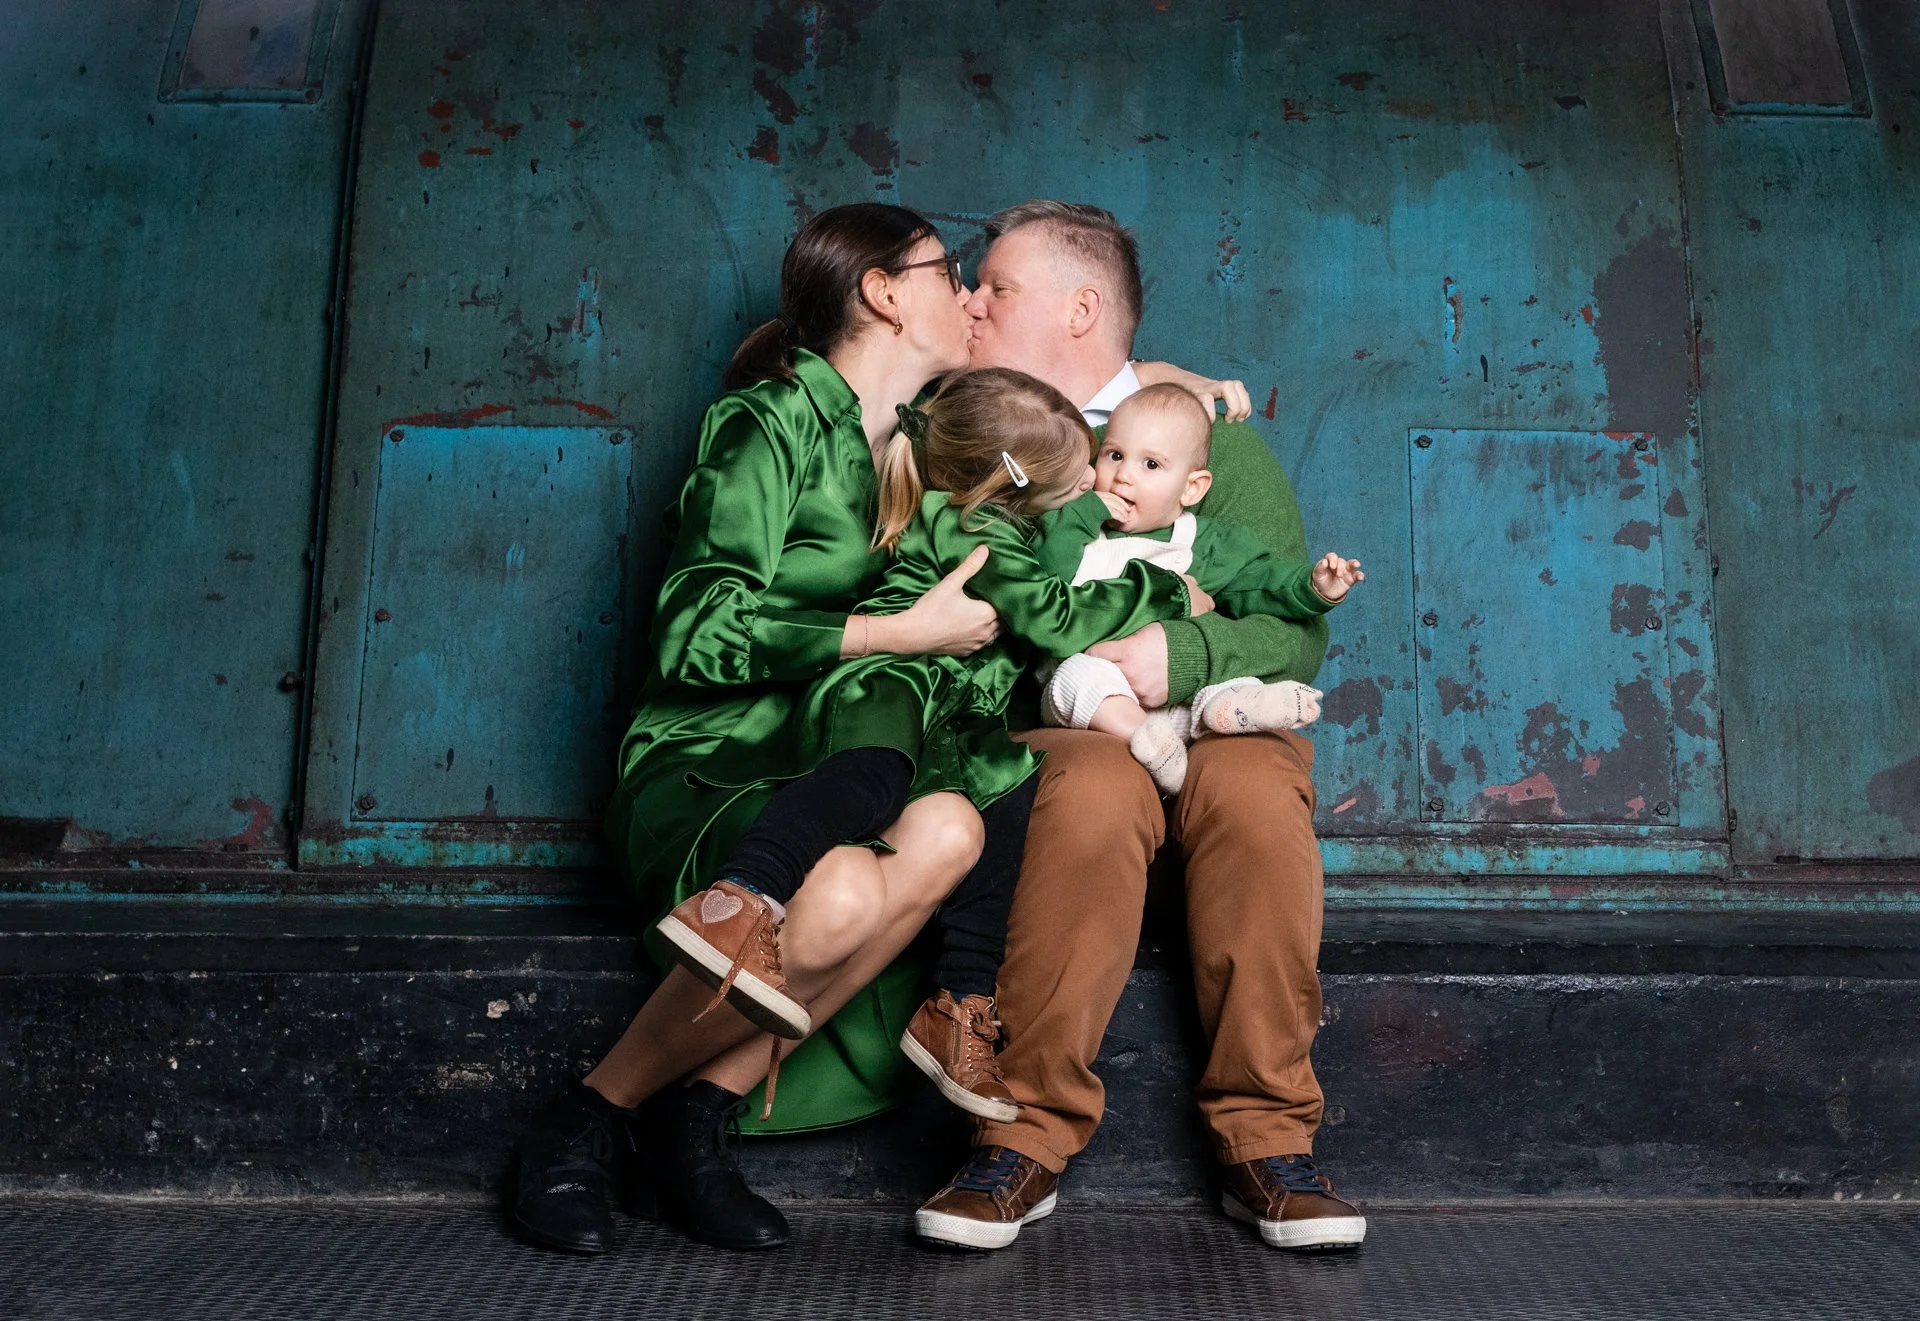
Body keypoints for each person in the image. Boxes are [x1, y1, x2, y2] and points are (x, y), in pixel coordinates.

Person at [506, 202, 1232, 1256]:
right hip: (718, 758)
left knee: (954, 831)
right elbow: (691, 630)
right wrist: (901, 628)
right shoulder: (766, 423)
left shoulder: (935, 429)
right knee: (843, 882)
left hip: (849, 754)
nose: (976, 297)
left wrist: (1184, 388)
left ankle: (689, 1122)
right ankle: (590, 1116)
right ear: (886, 295)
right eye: (954, 276)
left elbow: (1073, 409)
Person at [913, 200, 1369, 1254]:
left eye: (998, 288)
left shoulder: (1221, 445)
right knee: (1091, 786)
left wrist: (1187, 653)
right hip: (1072, 723)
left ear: (1081, 309)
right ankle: (1019, 1133)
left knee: (1257, 792)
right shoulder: (987, 439)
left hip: (1217, 718)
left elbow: (1291, 633)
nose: (973, 303)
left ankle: (1268, 1138)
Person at [656, 367, 1199, 1128]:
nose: (1090, 484)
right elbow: (1053, 615)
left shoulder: (1001, 517)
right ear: (1015, 483)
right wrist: (1173, 593)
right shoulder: (970, 523)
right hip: (894, 684)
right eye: (1075, 475)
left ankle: (960, 1003)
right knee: (872, 776)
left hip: (955, 708)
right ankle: (740, 897)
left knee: (1004, 813)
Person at [1035, 382, 1364, 795]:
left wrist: (1314, 586)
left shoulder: (1203, 543)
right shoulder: (1074, 531)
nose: (1123, 476)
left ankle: (1236, 707)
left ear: (1192, 487)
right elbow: (1041, 577)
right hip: (1096, 701)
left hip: (1178, 704)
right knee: (1075, 678)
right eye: (1114, 455)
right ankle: (1149, 739)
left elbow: (1260, 581)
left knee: (1219, 685)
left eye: (1150, 465)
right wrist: (1083, 514)